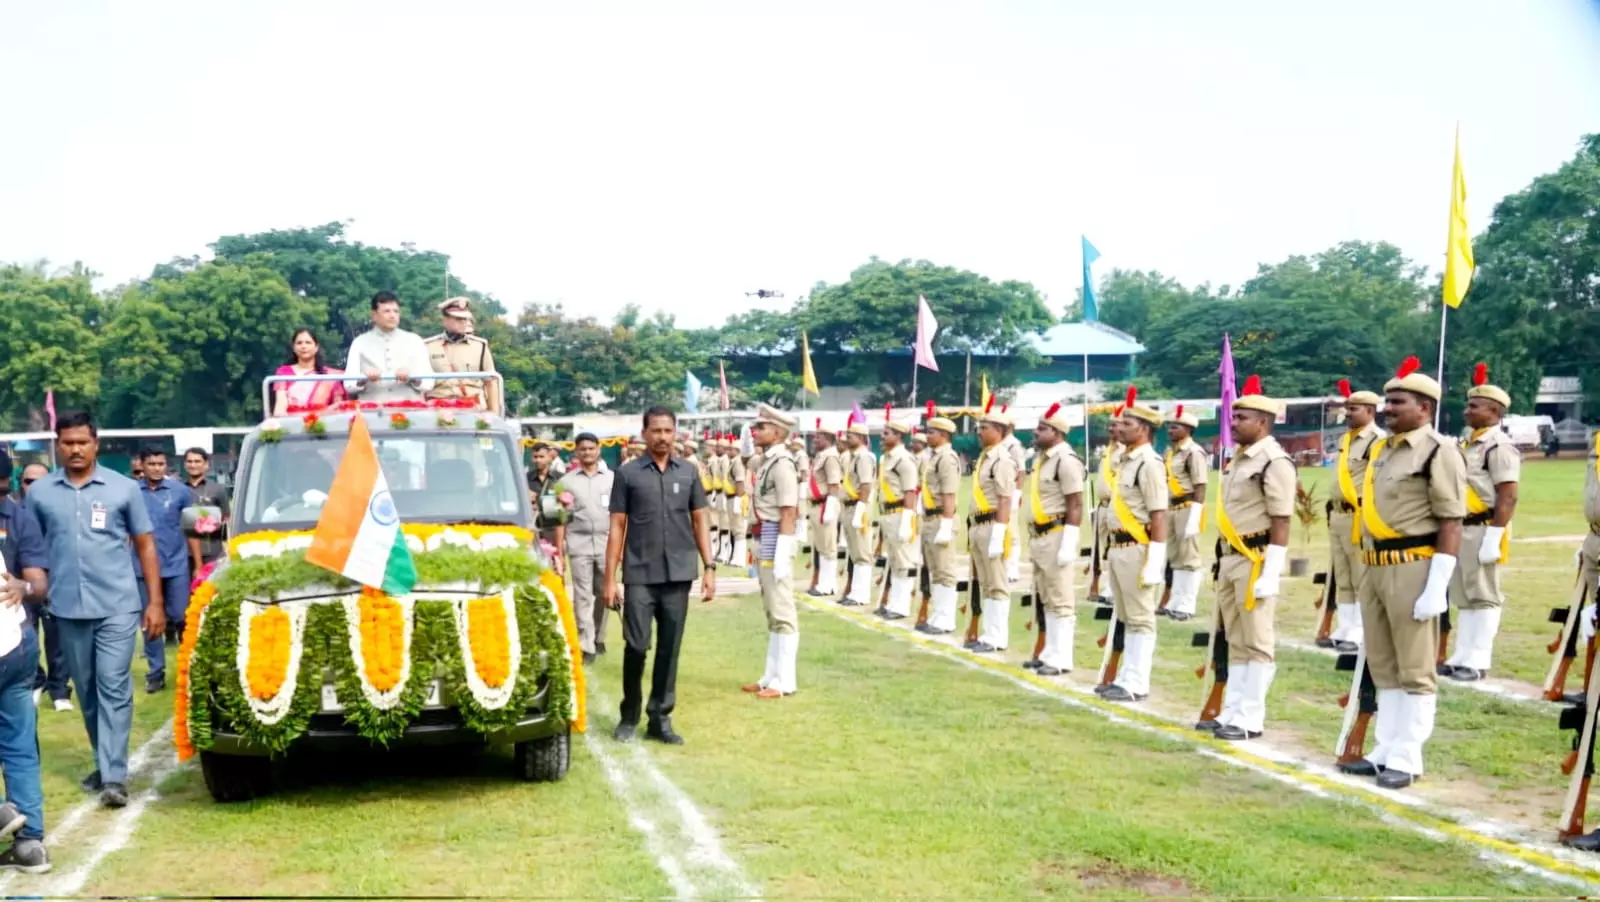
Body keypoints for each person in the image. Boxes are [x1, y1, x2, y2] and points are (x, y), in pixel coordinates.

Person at [27, 411, 165, 809]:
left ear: (96, 444)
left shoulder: (124, 489)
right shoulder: (40, 494)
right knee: (86, 692)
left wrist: (154, 602)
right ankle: (104, 763)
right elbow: (32, 550)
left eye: (82, 442)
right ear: (57, 444)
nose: (75, 449)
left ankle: (115, 776)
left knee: (114, 685)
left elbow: (146, 545)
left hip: (118, 605)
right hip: (67, 608)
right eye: (67, 442)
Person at [1340, 356, 1465, 789]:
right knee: (1383, 663)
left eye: (1398, 402)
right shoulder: (1381, 449)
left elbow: (1451, 520)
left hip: (1414, 565)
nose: (1387, 408)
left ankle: (1408, 757)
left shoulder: (1438, 451)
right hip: (1375, 565)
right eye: (1387, 401)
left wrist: (1438, 585)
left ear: (1425, 408)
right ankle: (1384, 748)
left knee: (1414, 666)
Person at [603, 407, 715, 744]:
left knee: (670, 648)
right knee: (636, 646)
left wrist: (709, 568)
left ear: (676, 433)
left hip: (678, 575)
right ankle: (629, 716)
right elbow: (617, 526)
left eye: (668, 431)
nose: (662, 437)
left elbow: (700, 520)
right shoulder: (628, 474)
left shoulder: (689, 472)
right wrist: (610, 579)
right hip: (639, 573)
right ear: (644, 433)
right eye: (656, 431)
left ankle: (660, 719)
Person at [1206, 377, 1294, 740]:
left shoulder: (1274, 461)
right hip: (1230, 558)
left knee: (1257, 639)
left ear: (1262, 421)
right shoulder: (1238, 459)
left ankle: (1251, 716)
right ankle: (1233, 709)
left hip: (1255, 557)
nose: (1234, 422)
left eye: (1241, 417)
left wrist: (1272, 570)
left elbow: (1282, 518)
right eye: (1233, 416)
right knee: (1236, 639)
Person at [1442, 363, 1520, 681]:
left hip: (1484, 526)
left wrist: (1495, 535)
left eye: (1474, 406)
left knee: (1484, 594)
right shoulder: (1467, 444)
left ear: (1493, 411)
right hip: (1463, 526)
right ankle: (1462, 655)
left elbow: (1508, 495)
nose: (1467, 410)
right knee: (1463, 594)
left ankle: (1477, 660)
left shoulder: (1498, 447)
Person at [1098, 390, 1170, 703]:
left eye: (1127, 423)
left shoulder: (1149, 464)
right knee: (1126, 614)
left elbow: (1159, 513)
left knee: (1140, 615)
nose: (1120, 427)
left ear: (1143, 429)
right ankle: (1125, 676)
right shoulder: (1127, 460)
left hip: (1138, 547)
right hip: (1119, 547)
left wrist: (1155, 558)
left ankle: (1136, 681)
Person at [0, 453, 50, 873]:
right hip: (17, 641)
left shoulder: (20, 518)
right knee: (19, 745)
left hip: (12, 644)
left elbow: (38, 583)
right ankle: (31, 843)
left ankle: (4, 815)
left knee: (18, 742)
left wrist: (25, 584)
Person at [742, 405, 801, 699]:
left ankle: (785, 681)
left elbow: (788, 508)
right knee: (771, 608)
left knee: (782, 607)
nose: (755, 432)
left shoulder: (782, 463)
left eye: (761, 427)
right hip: (763, 534)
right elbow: (745, 461)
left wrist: (783, 548)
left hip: (774, 534)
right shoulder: (766, 461)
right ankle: (770, 675)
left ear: (777, 433)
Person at [1023, 404, 1086, 675]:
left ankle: (1062, 657)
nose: (1036, 432)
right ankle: (1049, 651)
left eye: (1042, 428)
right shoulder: (1042, 459)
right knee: (1045, 596)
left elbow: (1075, 503)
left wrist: (1069, 541)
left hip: (1056, 533)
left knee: (1060, 597)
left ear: (1057, 433)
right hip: (1039, 535)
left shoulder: (1066, 461)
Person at [132, 448, 200, 693]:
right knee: (150, 621)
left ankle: (189, 667)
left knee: (182, 616)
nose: (157, 468)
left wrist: (198, 565)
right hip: (141, 567)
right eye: (151, 464)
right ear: (142, 465)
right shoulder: (132, 492)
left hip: (176, 564)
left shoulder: (180, 491)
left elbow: (192, 529)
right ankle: (155, 672)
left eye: (161, 464)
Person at [1327, 380, 1385, 653]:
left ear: (1371, 411)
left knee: (1362, 575)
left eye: (1355, 409)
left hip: (1360, 515)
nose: (1348, 413)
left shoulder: (1378, 441)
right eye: (1347, 408)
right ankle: (1344, 627)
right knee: (1344, 575)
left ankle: (1361, 630)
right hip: (1338, 515)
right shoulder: (1345, 439)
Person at [14, 463, 69, 712]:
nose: (34, 487)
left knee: (58, 640)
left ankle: (59, 690)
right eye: (28, 481)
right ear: (20, 484)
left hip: (57, 582)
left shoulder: (62, 509)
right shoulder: (12, 513)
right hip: (23, 586)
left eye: (40, 481)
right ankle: (36, 682)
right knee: (27, 637)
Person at [555, 434, 614, 664]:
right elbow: (561, 517)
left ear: (598, 450)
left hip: (606, 542)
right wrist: (559, 548)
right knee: (582, 595)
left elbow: (621, 515)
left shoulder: (612, 479)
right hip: (578, 543)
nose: (587, 453)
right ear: (576, 452)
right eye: (582, 449)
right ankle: (585, 644)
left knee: (604, 592)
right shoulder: (566, 482)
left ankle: (599, 636)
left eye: (591, 448)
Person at [968, 404, 1017, 652]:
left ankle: (997, 637)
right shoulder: (985, 458)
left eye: (984, 428)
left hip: (992, 525)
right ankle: (988, 634)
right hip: (978, 525)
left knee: (996, 581)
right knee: (986, 582)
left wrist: (999, 532)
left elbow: (1004, 498)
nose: (979, 432)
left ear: (998, 430)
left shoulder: (1002, 459)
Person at [1161, 406, 1209, 623]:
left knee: (1189, 557)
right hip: (1171, 507)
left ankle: (1187, 604)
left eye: (1175, 426)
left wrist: (1195, 514)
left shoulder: (1193, 452)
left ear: (1188, 429)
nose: (1170, 430)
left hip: (1188, 505)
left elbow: (1200, 485)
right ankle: (1175, 600)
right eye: (1169, 426)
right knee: (1175, 556)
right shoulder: (1170, 452)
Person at [343, 291, 433, 404]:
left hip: (410, 410)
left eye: (396, 311)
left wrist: (412, 376)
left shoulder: (415, 341)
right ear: (374, 315)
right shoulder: (359, 342)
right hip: (371, 410)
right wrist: (364, 378)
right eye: (387, 311)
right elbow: (349, 385)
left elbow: (428, 383)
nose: (392, 315)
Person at [918, 415, 961, 632]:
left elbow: (949, 493)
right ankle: (937, 615)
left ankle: (945, 619)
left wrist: (946, 522)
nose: (928, 435)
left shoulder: (947, 458)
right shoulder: (933, 457)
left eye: (931, 432)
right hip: (929, 517)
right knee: (935, 569)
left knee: (944, 569)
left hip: (940, 517)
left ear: (943, 435)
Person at [876, 416, 921, 621]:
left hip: (899, 513)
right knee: (894, 560)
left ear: (899, 436)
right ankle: (894, 602)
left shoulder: (904, 459)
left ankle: (901, 605)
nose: (882, 436)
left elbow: (910, 491)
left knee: (904, 560)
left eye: (887, 433)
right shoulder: (886, 458)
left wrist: (907, 519)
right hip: (887, 513)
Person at [425, 297, 502, 415]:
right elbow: (420, 386)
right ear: (445, 320)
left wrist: (494, 415)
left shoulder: (480, 346)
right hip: (438, 409)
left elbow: (490, 382)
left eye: (466, 318)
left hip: (473, 408)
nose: (464, 322)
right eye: (458, 319)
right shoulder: (428, 346)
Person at [839, 423, 878, 608]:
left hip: (858, 506)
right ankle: (855, 591)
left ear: (862, 438)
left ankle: (862, 594)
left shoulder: (863, 457)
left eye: (852, 435)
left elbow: (866, 485)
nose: (847, 437)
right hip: (849, 506)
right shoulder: (853, 457)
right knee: (854, 552)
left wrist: (861, 509)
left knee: (862, 551)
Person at [805, 424, 843, 598]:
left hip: (824, 505)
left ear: (827, 439)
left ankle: (828, 584)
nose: (815, 439)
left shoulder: (831, 457)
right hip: (815, 505)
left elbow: (834, 483)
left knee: (828, 547)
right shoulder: (821, 456)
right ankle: (823, 582)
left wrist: (830, 506)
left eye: (819, 437)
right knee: (821, 546)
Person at [272, 327, 346, 415]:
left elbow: (338, 407)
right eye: (299, 343)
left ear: (316, 347)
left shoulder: (330, 376)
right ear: (293, 348)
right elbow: (280, 407)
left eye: (308, 342)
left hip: (322, 424)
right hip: (292, 423)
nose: (303, 346)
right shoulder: (284, 373)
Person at [181, 448, 231, 568]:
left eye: (197, 461)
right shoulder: (178, 489)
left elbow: (226, 519)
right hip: (185, 553)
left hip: (213, 552)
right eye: (189, 461)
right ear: (185, 464)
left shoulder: (217, 489)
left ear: (206, 464)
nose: (193, 465)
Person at [723, 437, 749, 571]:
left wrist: (738, 500)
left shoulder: (738, 462)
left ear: (737, 450)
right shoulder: (732, 462)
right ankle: (735, 557)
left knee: (739, 530)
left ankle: (739, 559)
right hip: (731, 497)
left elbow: (740, 482)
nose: (728, 451)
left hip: (736, 497)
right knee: (734, 528)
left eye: (731, 449)